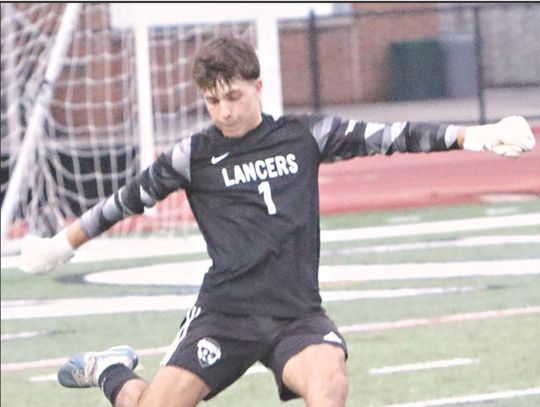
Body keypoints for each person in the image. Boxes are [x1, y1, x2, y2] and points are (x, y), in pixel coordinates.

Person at [19, 36, 535, 407]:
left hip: (295, 314)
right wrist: (60, 246)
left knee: (330, 387)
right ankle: (111, 370)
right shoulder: (192, 155)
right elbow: (122, 202)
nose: (223, 111)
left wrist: (475, 137)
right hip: (225, 314)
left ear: (258, 86)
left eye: (233, 96)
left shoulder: (305, 135)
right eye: (212, 101)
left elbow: (391, 135)